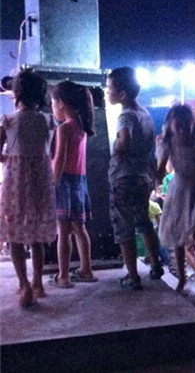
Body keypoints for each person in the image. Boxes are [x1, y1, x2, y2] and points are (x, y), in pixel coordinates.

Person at [0, 69, 56, 307]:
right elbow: (50, 152)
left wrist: (11, 159)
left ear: (18, 92)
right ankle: (38, 283)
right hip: (40, 181)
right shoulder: (47, 120)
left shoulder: (8, 120)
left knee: (14, 234)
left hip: (15, 182)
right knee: (36, 235)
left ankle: (24, 285)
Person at [106, 66, 162, 291]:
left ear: (122, 94)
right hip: (142, 177)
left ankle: (132, 276)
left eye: (109, 88)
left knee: (124, 227)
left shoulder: (126, 115)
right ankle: (156, 265)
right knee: (144, 222)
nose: (107, 92)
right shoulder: (145, 113)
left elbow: (124, 141)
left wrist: (116, 145)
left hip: (124, 178)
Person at [156, 105, 195, 294]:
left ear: (192, 124)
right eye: (178, 126)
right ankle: (182, 278)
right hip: (179, 189)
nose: (181, 130)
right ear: (170, 126)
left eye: (185, 126)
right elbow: (161, 168)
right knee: (178, 235)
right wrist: (155, 181)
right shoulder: (169, 144)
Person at [50, 81, 97, 287]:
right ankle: (86, 270)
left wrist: (52, 183)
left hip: (64, 182)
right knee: (79, 228)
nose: (52, 107)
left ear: (61, 103)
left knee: (63, 231)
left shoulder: (64, 128)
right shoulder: (81, 128)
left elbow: (59, 159)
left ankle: (63, 276)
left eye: (53, 103)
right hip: (80, 182)